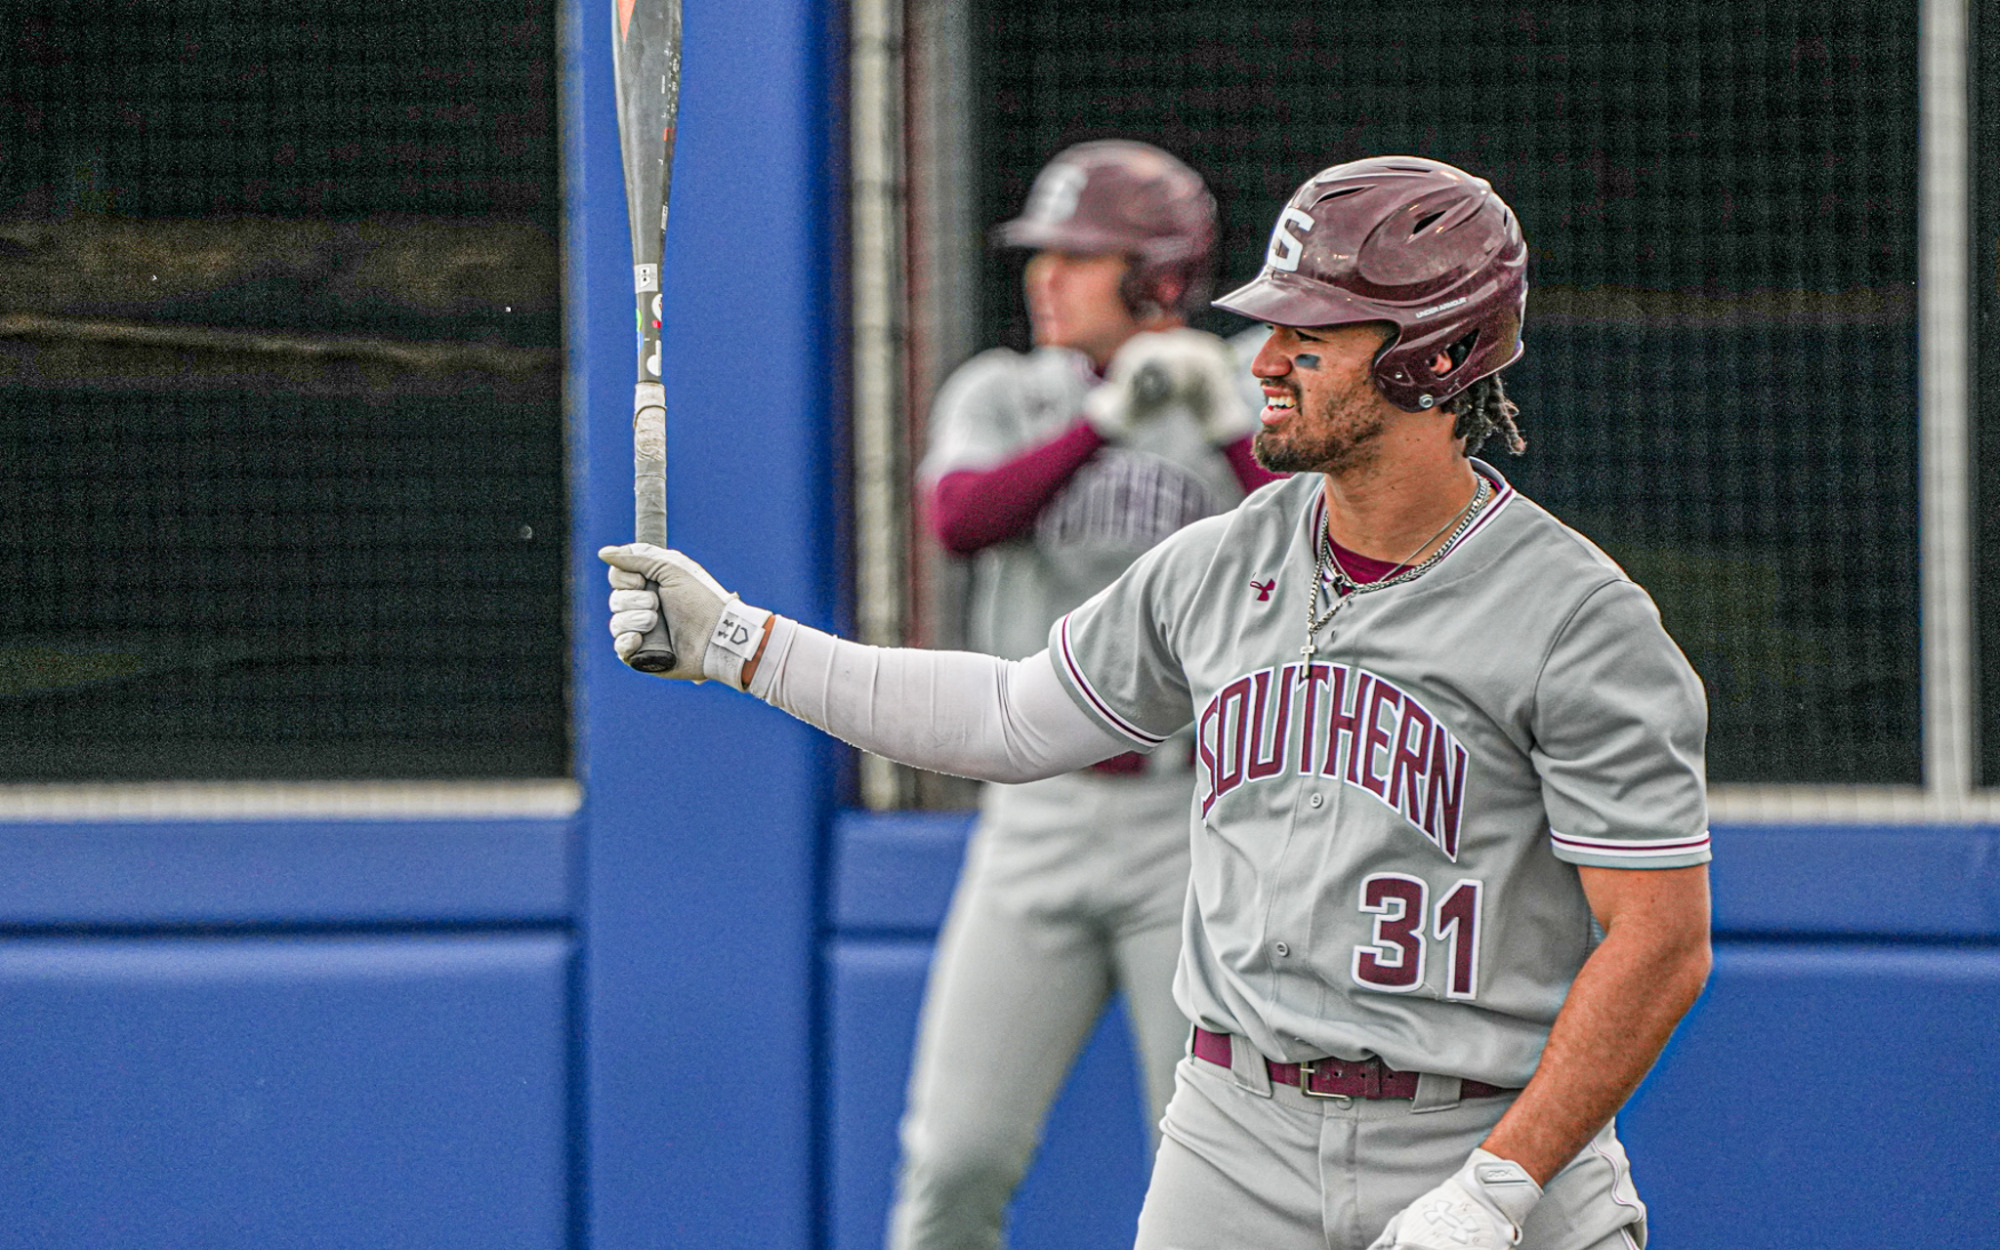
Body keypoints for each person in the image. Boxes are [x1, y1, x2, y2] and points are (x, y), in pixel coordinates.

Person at [603, 155, 1712, 1250]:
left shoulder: (1578, 617)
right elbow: (1006, 715)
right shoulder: (1217, 560)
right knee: (954, 1157)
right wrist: (736, 640)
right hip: (1235, 1133)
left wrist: (1499, 1182)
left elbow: (1659, 941)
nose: (1265, 358)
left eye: (1307, 337)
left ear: (1429, 358)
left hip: (1479, 1128)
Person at [899, 139, 1277, 1250]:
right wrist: (1098, 426)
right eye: (1042, 254)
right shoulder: (1006, 390)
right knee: (955, 1157)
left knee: (1207, 1170)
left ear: (1157, 275)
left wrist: (1226, 430)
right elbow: (958, 519)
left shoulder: (1250, 385)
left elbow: (1322, 543)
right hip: (1035, 809)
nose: (1045, 279)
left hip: (1191, 821)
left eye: (1079, 255)